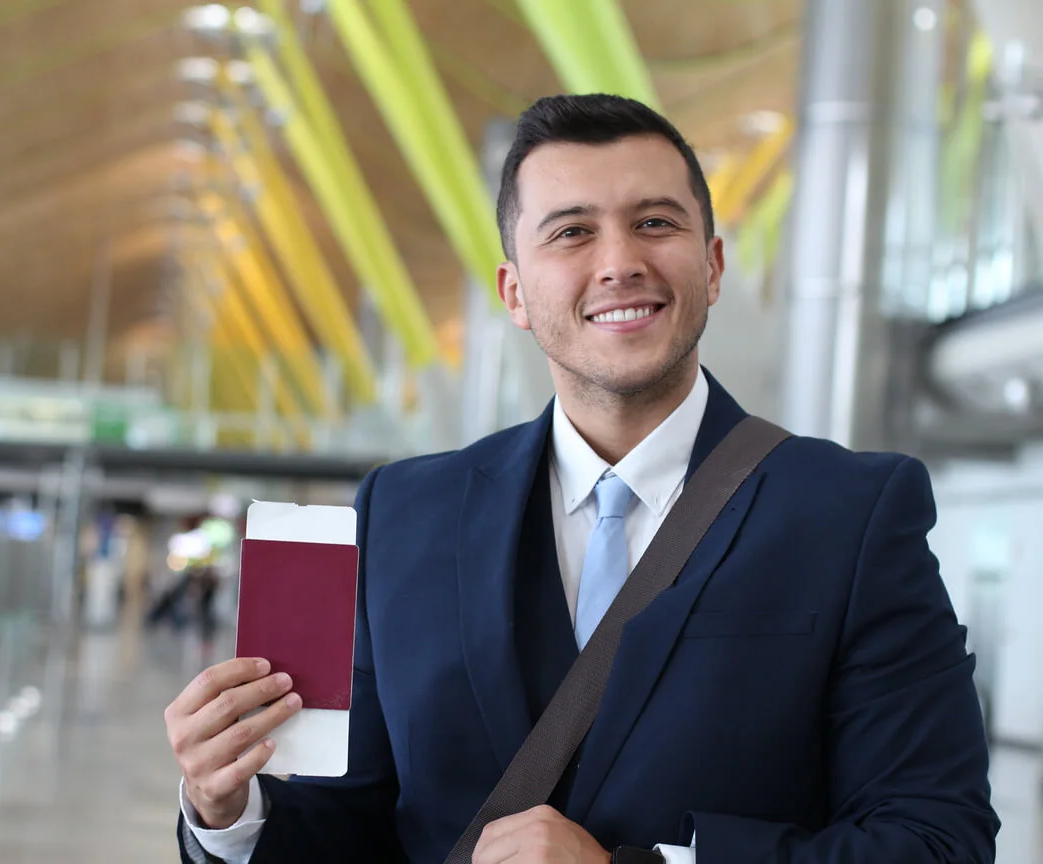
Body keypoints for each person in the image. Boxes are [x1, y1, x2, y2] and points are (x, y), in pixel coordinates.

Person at [165, 94, 998, 863]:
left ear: (712, 266)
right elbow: (355, 824)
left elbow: (937, 837)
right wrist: (229, 810)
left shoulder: (848, 514)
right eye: (571, 232)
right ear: (515, 293)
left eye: (656, 222)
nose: (620, 262)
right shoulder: (404, 515)